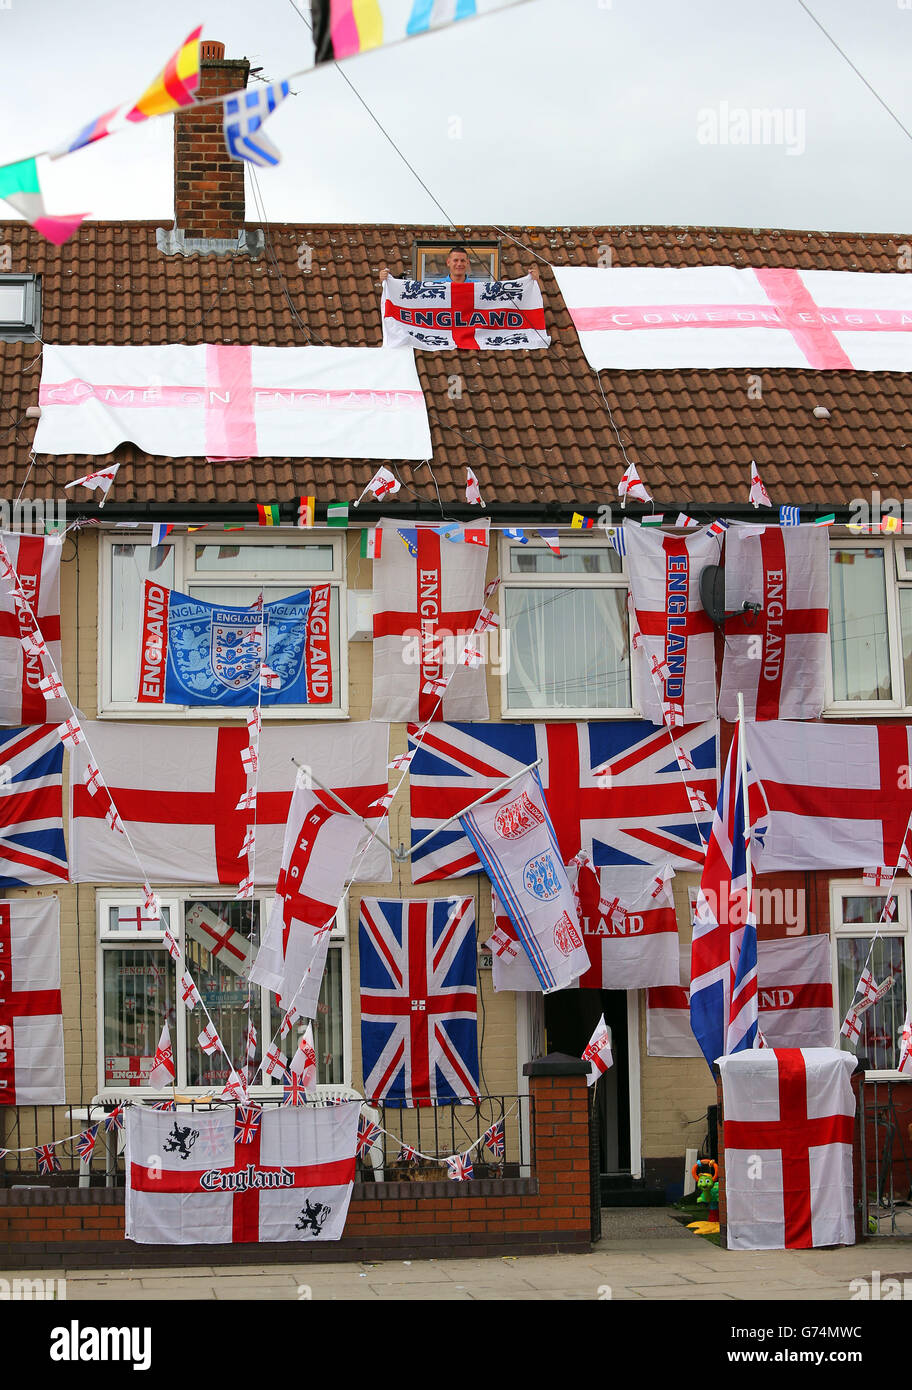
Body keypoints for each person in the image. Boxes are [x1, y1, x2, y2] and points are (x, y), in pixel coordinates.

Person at [379, 245, 540, 286]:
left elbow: (505, 296)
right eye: (455, 260)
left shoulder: (479, 287)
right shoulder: (435, 286)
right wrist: (387, 281)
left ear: (468, 263)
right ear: (448, 262)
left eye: (463, 260)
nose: (459, 264)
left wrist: (530, 281)